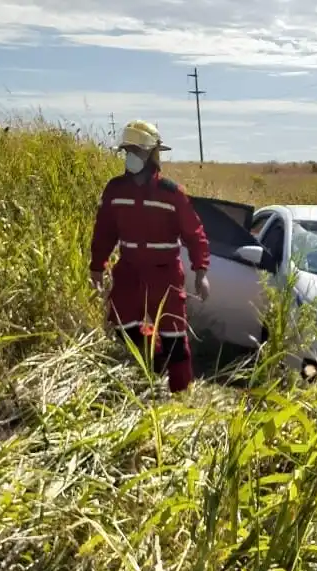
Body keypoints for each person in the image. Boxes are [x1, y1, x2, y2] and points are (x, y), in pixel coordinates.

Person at [89, 119, 210, 394]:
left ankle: (180, 395)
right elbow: (104, 231)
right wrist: (97, 266)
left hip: (164, 273)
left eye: (136, 150)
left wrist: (201, 271)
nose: (130, 156)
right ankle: (155, 367)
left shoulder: (171, 193)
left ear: (152, 154)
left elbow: (195, 233)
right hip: (129, 271)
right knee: (123, 328)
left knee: (175, 339)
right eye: (127, 150)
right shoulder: (115, 189)